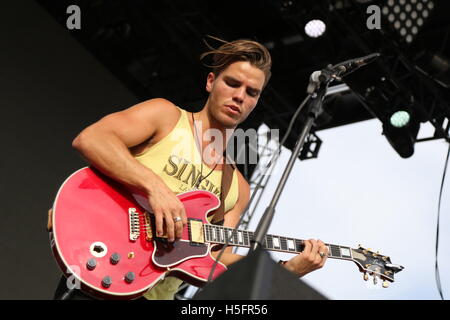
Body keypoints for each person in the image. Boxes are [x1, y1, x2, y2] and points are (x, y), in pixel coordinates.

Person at [49, 37, 329, 300]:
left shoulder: (237, 187)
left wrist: (286, 270)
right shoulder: (166, 117)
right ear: (211, 81)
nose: (240, 96)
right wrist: (155, 187)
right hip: (103, 272)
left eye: (251, 92)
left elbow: (217, 262)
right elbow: (92, 139)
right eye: (232, 83)